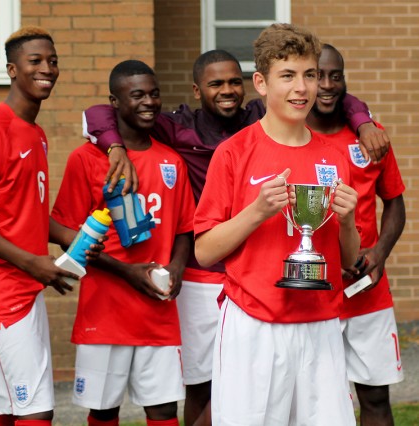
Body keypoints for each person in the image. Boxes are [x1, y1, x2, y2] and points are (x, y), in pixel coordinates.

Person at [82, 50, 389, 426]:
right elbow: (105, 110)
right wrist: (115, 146)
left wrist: (361, 123)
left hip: (316, 311)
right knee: (203, 388)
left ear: (249, 87)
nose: (304, 86)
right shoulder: (187, 130)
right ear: (198, 90)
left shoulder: (292, 131)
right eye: (215, 84)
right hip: (228, 291)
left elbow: (330, 94)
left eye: (232, 82)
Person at [193, 23, 361, 425]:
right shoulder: (234, 153)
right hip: (254, 321)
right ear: (261, 83)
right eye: (287, 76)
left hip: (320, 322)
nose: (302, 88)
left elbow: (348, 260)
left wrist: (349, 221)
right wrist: (256, 212)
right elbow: (203, 250)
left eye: (309, 74)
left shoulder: (334, 157)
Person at [50, 60, 196, 426]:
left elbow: (184, 228)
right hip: (105, 311)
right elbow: (58, 228)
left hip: (158, 313)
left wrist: (177, 269)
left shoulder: (171, 161)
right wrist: (125, 271)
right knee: (103, 411)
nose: (149, 102)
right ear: (114, 102)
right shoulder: (86, 159)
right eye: (137, 95)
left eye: (154, 93)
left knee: (163, 411)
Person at [0, 27, 82, 426]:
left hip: (25, 290)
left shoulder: (34, 133)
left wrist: (70, 236)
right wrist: (30, 262)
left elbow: (22, 211)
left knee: (7, 413)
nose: (47, 69)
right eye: (35, 61)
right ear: (11, 70)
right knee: (34, 411)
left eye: (52, 61)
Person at [307, 44, 405, 426]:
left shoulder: (371, 137)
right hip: (313, 295)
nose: (328, 85)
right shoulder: (290, 136)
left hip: (367, 293)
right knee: (316, 404)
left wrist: (379, 252)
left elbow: (395, 203)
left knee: (376, 400)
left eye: (336, 75)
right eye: (319, 76)